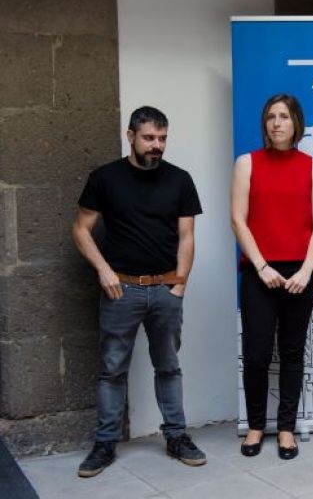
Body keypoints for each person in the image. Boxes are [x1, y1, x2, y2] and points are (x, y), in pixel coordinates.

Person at [72, 106, 205, 477]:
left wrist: (180, 282)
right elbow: (80, 229)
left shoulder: (180, 180)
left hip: (165, 289)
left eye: (162, 139)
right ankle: (104, 444)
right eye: (149, 138)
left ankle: (177, 437)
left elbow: (187, 236)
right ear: (130, 136)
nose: (156, 146)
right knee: (113, 369)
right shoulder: (104, 178)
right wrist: (103, 271)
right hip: (121, 291)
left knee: (169, 367)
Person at [231, 94, 313, 460]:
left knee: (292, 352)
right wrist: (261, 266)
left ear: (296, 123)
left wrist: (304, 270)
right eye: (270, 116)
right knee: (255, 355)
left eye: (284, 116)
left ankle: (286, 429)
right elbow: (238, 220)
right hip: (259, 271)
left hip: (300, 274)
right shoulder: (247, 164)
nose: (276, 123)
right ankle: (256, 426)